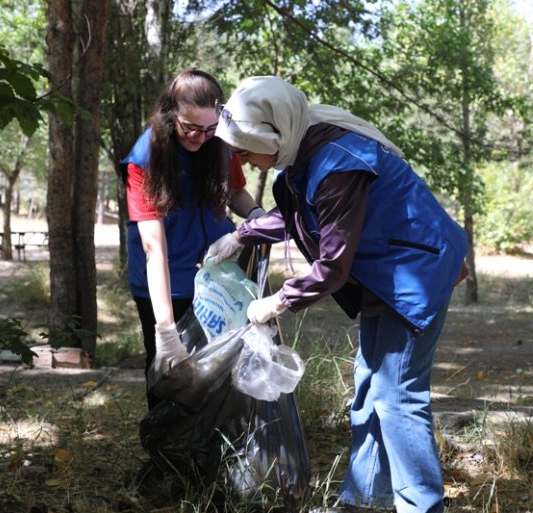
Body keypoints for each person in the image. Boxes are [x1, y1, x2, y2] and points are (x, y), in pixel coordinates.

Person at [205, 76, 468, 513]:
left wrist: (279, 301)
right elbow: (302, 216)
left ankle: (422, 506)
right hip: (387, 276)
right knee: (368, 391)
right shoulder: (303, 147)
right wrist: (243, 234)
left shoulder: (336, 164)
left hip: (415, 274)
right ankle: (363, 501)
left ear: (274, 134)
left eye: (245, 149)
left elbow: (331, 266)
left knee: (397, 398)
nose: (242, 160)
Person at [120, 68, 263, 409]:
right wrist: (167, 333)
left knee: (219, 371)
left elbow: (236, 194)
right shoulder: (145, 158)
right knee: (172, 377)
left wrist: (256, 216)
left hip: (218, 277)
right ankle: (170, 457)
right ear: (171, 116)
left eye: (210, 128)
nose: (201, 138)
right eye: (191, 128)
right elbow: (154, 249)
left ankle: (213, 452)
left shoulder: (219, 144)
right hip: (165, 283)